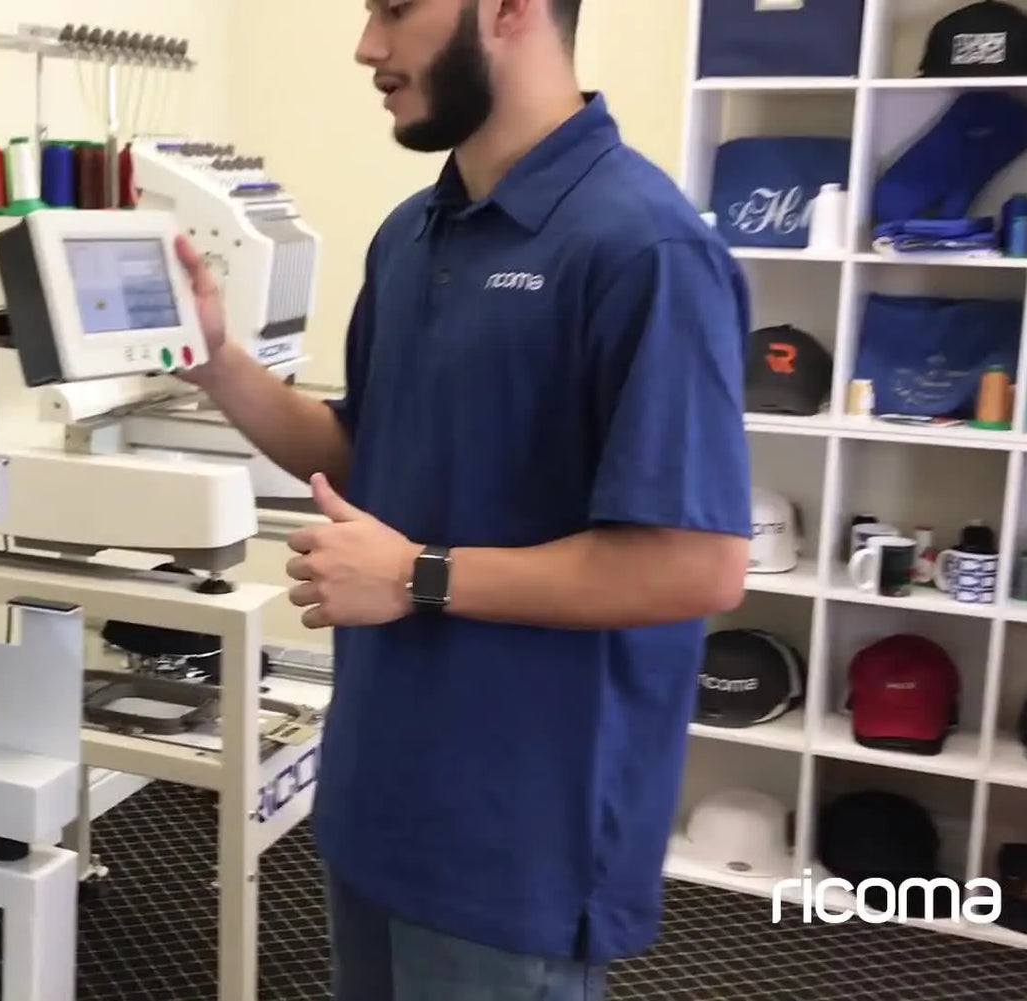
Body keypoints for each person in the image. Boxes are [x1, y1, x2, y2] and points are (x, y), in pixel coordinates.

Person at [173, 0, 754, 998]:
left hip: (517, 838)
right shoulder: (412, 234)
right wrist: (221, 365)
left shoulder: (644, 248)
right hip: (377, 793)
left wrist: (413, 574)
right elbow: (367, 456)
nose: (367, 45)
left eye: (396, 8)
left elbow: (694, 562)